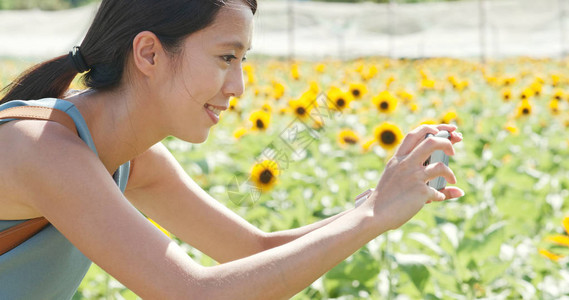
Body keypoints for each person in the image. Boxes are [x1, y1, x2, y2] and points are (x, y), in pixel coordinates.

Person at [0, 0, 464, 298]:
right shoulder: (41, 148)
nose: (239, 86)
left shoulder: (134, 159)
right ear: (149, 54)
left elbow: (251, 250)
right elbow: (193, 295)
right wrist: (373, 215)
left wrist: (377, 201)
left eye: (243, 61)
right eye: (226, 57)